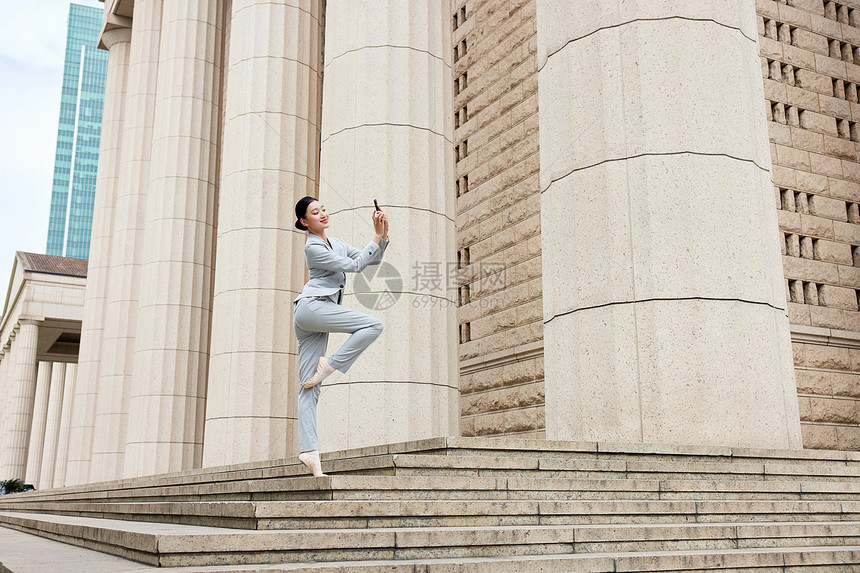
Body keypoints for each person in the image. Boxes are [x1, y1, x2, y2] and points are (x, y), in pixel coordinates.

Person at [292, 196, 390, 476]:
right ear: (304, 222)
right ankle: (331, 365)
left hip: (313, 314)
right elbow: (356, 266)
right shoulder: (313, 248)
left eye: (323, 208)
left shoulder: (335, 243)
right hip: (313, 307)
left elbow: (368, 260)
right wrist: (375, 236)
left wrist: (383, 235)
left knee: (309, 386)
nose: (322, 213)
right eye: (315, 212)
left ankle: (310, 453)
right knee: (373, 325)